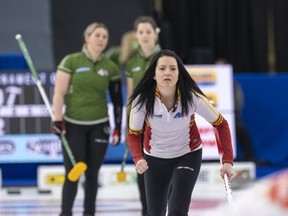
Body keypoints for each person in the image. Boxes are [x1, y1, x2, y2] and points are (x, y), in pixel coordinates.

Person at [127, 49, 234, 216]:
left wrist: (227, 160)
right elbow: (134, 135)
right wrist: (138, 158)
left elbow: (221, 124)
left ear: (179, 73)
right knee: (155, 212)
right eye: (162, 68)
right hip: (154, 158)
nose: (167, 73)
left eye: (172, 68)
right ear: (153, 74)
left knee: (177, 210)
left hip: (187, 155)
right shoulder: (141, 101)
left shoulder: (192, 97)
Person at [52, 22, 123, 216]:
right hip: (73, 124)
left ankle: (89, 213)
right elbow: (59, 92)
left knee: (92, 175)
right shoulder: (71, 61)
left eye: (104, 36)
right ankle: (65, 212)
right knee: (73, 173)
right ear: (87, 38)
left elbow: (117, 101)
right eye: (97, 35)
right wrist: (57, 120)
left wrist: (117, 127)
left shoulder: (111, 67)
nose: (101, 39)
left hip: (100, 125)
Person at [125, 16, 161, 216]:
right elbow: (131, 96)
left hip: (164, 121)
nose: (145, 35)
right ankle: (146, 211)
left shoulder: (166, 58)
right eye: (141, 32)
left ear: (156, 33)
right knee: (142, 166)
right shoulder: (132, 62)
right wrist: (128, 125)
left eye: (149, 31)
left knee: (165, 166)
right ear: (136, 36)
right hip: (139, 122)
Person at [215, 58, 257, 162]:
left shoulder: (233, 83)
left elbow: (239, 101)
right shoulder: (211, 83)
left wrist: (232, 111)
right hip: (213, 114)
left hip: (231, 114)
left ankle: (250, 156)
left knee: (240, 129)